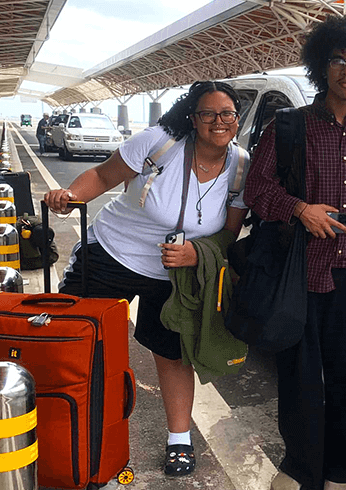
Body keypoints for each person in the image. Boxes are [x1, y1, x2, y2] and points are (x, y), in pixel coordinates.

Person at [43, 80, 248, 477]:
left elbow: (227, 235)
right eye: (208, 113)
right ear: (193, 117)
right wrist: (70, 197)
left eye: (227, 114)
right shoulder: (159, 143)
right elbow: (103, 177)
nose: (218, 122)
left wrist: (194, 254)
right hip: (111, 253)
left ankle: (179, 442)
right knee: (73, 339)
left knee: (171, 354)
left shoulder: (241, 167)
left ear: (237, 120)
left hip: (172, 274)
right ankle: (56, 416)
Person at [242, 15, 346, 490]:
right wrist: (300, 209)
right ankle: (301, 468)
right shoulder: (288, 127)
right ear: (321, 67)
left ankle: (345, 473)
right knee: (300, 377)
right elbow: (256, 189)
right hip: (300, 272)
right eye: (337, 60)